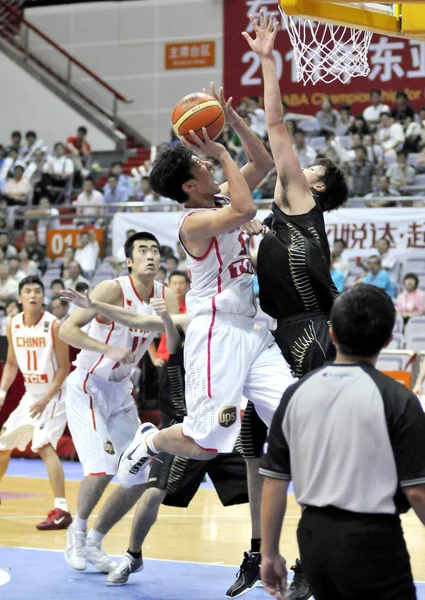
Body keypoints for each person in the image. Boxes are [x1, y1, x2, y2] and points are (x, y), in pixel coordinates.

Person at [105, 83, 295, 599]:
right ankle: (150, 440)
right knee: (207, 443)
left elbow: (263, 163)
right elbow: (243, 203)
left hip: (254, 331)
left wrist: (231, 119)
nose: (208, 166)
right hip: (216, 335)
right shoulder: (194, 221)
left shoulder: (215, 191)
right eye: (201, 167)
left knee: (298, 417)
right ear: (190, 186)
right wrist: (217, 153)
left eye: (208, 163)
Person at [242, 12, 348, 599]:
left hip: (308, 331)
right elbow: (270, 141)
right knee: (260, 453)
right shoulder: (283, 215)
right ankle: (263, 553)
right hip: (275, 331)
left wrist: (266, 58)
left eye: (312, 168)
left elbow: (277, 125)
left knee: (295, 451)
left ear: (321, 187)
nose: (298, 165)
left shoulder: (301, 201)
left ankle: (311, 561)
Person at [259, 284, 425, 600]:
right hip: (372, 540)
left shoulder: (295, 394)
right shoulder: (398, 399)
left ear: (331, 334)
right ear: (389, 339)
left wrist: (268, 553)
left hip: (312, 541)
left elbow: (274, 481)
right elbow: (417, 491)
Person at [58, 231, 182, 575]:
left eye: (155, 249)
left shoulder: (165, 296)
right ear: (129, 260)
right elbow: (66, 331)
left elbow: (172, 347)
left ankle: (96, 541)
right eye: (142, 250)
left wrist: (167, 320)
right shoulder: (112, 289)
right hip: (87, 384)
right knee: (101, 468)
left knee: (141, 475)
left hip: (120, 391)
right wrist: (107, 349)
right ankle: (77, 532)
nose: (150, 255)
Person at [0, 276, 71, 529]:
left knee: (42, 446)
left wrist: (45, 399)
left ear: (43, 297)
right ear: (19, 298)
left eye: (37, 291)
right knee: (2, 445)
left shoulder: (54, 325)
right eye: (27, 291)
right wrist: (2, 392)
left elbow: (64, 368)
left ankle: (62, 509)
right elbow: (10, 364)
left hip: (55, 393)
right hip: (30, 395)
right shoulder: (13, 324)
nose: (33, 295)